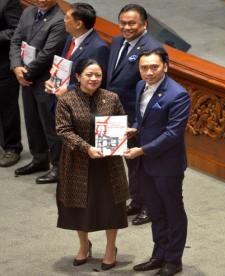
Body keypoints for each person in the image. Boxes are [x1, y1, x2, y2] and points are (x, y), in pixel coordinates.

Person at [55, 58, 129, 271]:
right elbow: (63, 130)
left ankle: (110, 247)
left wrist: (125, 133)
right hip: (78, 161)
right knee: (80, 206)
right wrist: (86, 148)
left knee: (112, 207)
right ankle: (83, 245)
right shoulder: (66, 100)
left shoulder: (111, 97)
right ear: (78, 77)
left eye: (98, 75)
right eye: (89, 75)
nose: (94, 79)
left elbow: (120, 121)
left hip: (108, 162)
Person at [125, 49, 190, 276]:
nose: (149, 72)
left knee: (172, 211)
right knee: (155, 210)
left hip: (167, 164)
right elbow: (142, 118)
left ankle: (174, 260)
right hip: (145, 163)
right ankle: (158, 254)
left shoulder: (178, 94)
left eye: (154, 67)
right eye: (144, 68)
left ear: (165, 66)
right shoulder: (139, 86)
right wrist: (133, 128)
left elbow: (173, 134)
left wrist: (142, 150)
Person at [107, 4, 164, 225]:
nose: (126, 27)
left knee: (144, 164)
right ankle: (137, 201)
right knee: (129, 161)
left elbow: (154, 90)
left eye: (132, 23)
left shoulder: (153, 49)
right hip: (117, 113)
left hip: (140, 117)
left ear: (144, 24)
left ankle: (150, 207)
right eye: (123, 22)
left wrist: (141, 122)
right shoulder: (116, 41)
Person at [9, 0, 67, 183]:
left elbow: (48, 52)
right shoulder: (28, 12)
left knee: (50, 125)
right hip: (26, 78)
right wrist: (17, 67)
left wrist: (26, 73)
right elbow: (16, 40)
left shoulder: (60, 19)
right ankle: (39, 159)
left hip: (45, 80)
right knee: (32, 122)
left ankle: (58, 166)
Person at [44, 2, 109, 96]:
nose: (64, 20)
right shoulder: (72, 36)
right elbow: (63, 63)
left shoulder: (99, 48)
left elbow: (96, 82)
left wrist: (68, 89)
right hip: (60, 97)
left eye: (67, 18)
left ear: (78, 24)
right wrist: (52, 80)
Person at [0, 0, 22, 167]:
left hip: (4, 66)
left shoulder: (8, 2)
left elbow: (16, 31)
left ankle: (12, 147)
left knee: (8, 109)